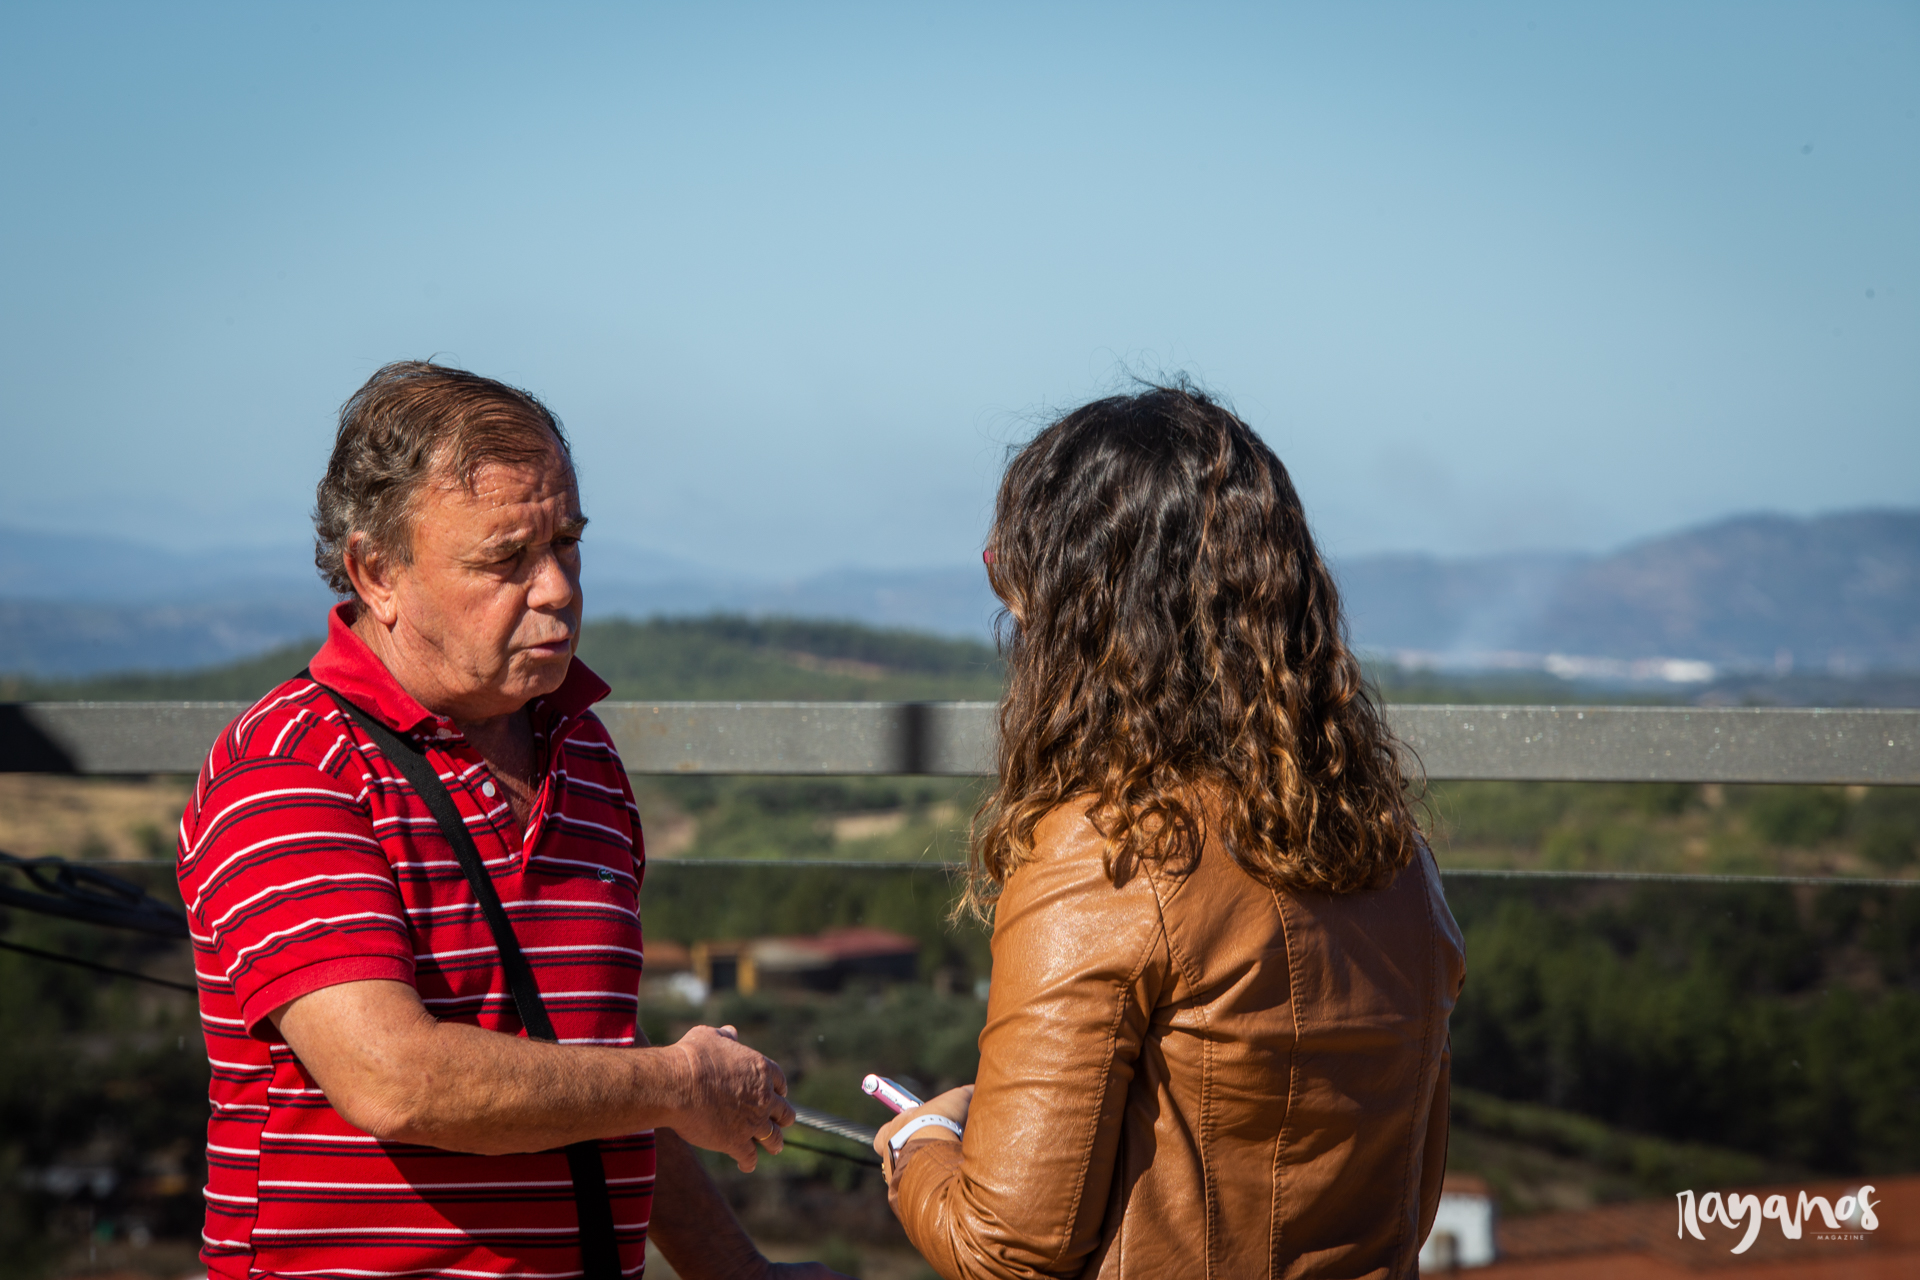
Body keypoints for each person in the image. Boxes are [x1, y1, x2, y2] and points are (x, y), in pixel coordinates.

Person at [177, 362, 846, 1280]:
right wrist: (680, 1083)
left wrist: (739, 1270)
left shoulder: (585, 755)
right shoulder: (296, 767)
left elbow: (596, 1084)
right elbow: (396, 1080)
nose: (558, 588)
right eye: (505, 560)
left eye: (566, 543)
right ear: (378, 572)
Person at [875, 386, 1466, 1279]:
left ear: (1079, 613)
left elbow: (1008, 1247)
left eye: (1013, 576)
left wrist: (918, 1146)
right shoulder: (1393, 856)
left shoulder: (1106, 853)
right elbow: (1407, 1201)